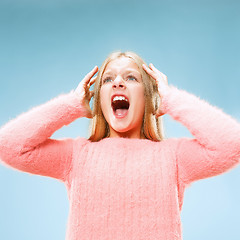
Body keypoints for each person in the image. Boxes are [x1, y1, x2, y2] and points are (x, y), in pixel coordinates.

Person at [0, 51, 239, 240]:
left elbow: (230, 145)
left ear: (147, 96)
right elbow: (9, 146)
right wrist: (70, 105)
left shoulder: (173, 157)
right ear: (100, 100)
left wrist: (172, 100)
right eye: (107, 79)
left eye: (131, 77)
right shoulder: (77, 155)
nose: (117, 83)